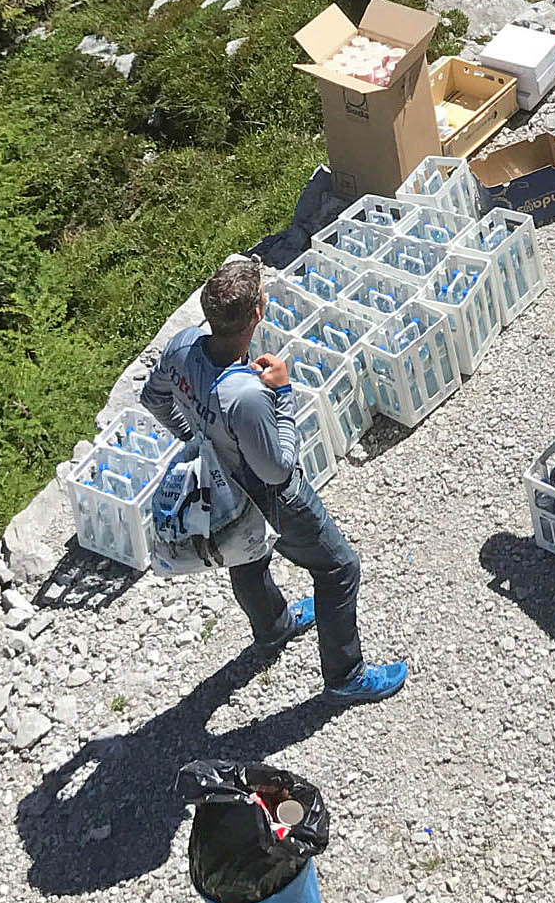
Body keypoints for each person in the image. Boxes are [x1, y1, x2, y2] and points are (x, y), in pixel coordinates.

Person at [142, 256, 407, 705]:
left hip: (223, 487)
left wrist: (197, 439)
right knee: (339, 568)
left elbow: (154, 398)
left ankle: (273, 626)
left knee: (246, 554)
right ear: (258, 312)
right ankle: (345, 675)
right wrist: (282, 393)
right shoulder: (245, 394)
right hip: (271, 498)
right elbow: (278, 469)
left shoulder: (182, 347)